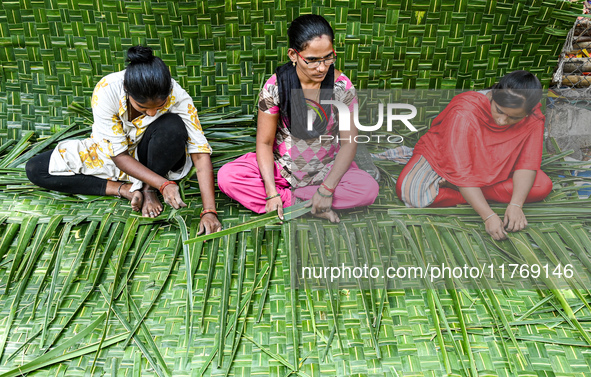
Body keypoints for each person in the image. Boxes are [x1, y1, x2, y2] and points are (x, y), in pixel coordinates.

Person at [26, 46, 222, 234]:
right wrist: (164, 184)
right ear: (127, 89)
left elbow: (200, 154)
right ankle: (125, 189)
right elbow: (118, 156)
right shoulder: (106, 90)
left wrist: (209, 211)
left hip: (154, 157)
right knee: (36, 169)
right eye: (143, 108)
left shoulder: (177, 95)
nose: (152, 112)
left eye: (159, 106)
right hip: (113, 157)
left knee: (172, 126)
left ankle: (148, 189)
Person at [217, 14, 379, 223]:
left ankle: (299, 203)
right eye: (312, 60)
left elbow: (349, 144)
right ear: (293, 54)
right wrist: (272, 192)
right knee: (228, 177)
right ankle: (307, 205)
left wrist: (327, 189)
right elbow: (264, 143)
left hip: (326, 170)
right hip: (281, 170)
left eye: (328, 57)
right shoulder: (274, 87)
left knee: (368, 190)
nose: (321, 67)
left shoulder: (343, 88)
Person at [396, 70, 553, 240]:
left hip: (495, 165)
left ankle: (457, 189)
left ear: (528, 113)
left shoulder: (533, 117)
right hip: (449, 157)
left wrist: (516, 205)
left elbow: (527, 163)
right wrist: (488, 215)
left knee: (542, 186)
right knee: (409, 191)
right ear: (493, 94)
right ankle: (471, 193)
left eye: (513, 118)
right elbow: (460, 168)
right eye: (499, 110)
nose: (502, 120)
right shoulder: (465, 111)